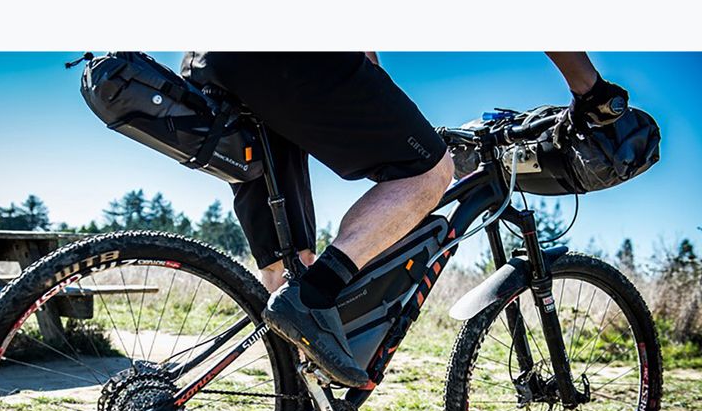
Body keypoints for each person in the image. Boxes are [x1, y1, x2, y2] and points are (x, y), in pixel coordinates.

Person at [181, 52, 628, 388]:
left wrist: (379, 96)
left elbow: (367, 68)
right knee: (430, 172)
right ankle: (314, 298)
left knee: (290, 267)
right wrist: (591, 91)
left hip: (212, 61)